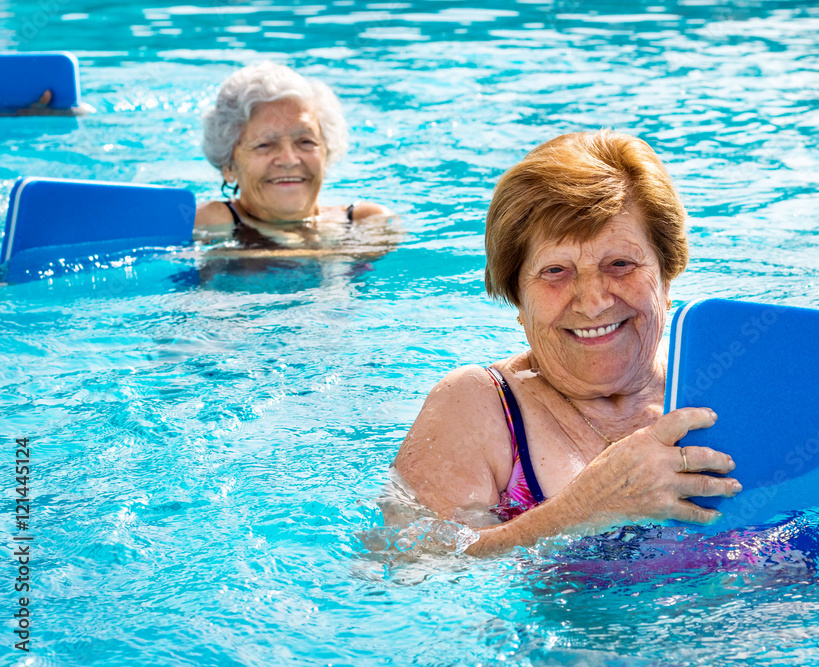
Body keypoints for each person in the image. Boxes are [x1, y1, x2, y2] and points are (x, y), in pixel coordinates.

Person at [392, 129, 742, 557]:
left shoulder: (726, 383)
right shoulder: (477, 406)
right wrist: (583, 510)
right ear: (517, 296)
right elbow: (407, 565)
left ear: (667, 277)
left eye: (619, 264)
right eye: (556, 271)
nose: (593, 302)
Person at [195, 62, 392, 249]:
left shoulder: (365, 221)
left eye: (306, 142)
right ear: (229, 166)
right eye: (264, 145)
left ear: (326, 153)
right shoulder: (214, 221)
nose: (289, 160)